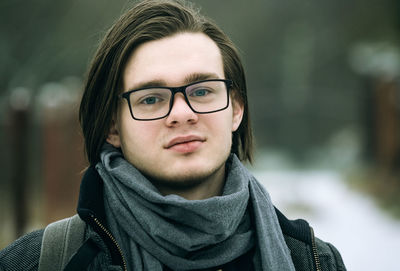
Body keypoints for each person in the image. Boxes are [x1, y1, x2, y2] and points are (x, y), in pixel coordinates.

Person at [0, 0, 346, 270]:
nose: (182, 114)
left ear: (236, 109)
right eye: (151, 99)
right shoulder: (40, 263)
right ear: (112, 127)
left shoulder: (314, 262)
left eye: (202, 91)